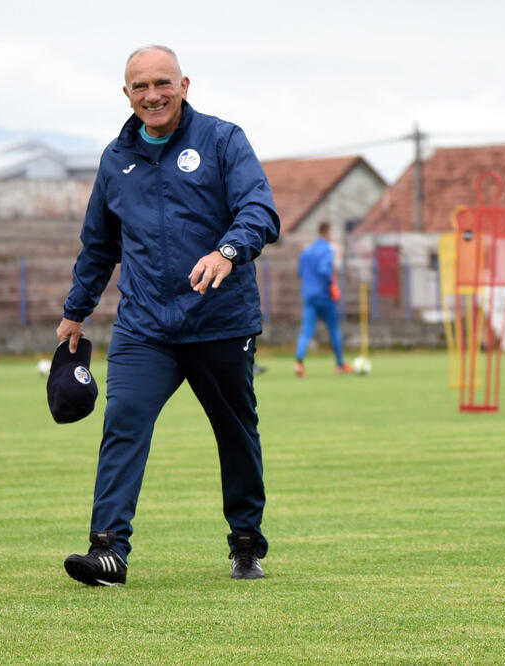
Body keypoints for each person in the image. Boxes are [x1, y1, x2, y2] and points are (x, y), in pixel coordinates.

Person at [58, 45, 280, 586]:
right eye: (140, 87)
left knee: (236, 433)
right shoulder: (115, 160)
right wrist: (75, 312)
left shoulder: (223, 140)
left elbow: (260, 211)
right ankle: (108, 550)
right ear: (127, 94)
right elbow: (97, 245)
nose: (152, 95)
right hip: (144, 327)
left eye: (162, 83)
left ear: (184, 84)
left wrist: (226, 252)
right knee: (123, 422)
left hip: (220, 323)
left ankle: (245, 542)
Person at [293, 221, 352, 377]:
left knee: (306, 331)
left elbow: (300, 273)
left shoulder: (307, 251)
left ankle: (299, 363)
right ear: (328, 233)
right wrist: (332, 284)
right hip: (324, 296)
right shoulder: (327, 250)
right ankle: (340, 364)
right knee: (334, 329)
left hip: (308, 295)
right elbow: (324, 270)